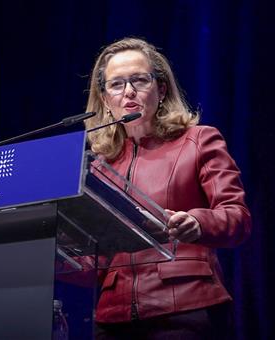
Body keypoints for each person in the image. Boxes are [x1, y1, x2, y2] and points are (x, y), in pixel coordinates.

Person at [84, 37, 252, 339]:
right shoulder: (99, 167)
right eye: (117, 85)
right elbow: (92, 258)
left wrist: (198, 221)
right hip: (112, 319)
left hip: (185, 309)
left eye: (139, 80)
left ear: (161, 89)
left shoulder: (199, 140)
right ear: (105, 98)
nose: (129, 92)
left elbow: (237, 218)